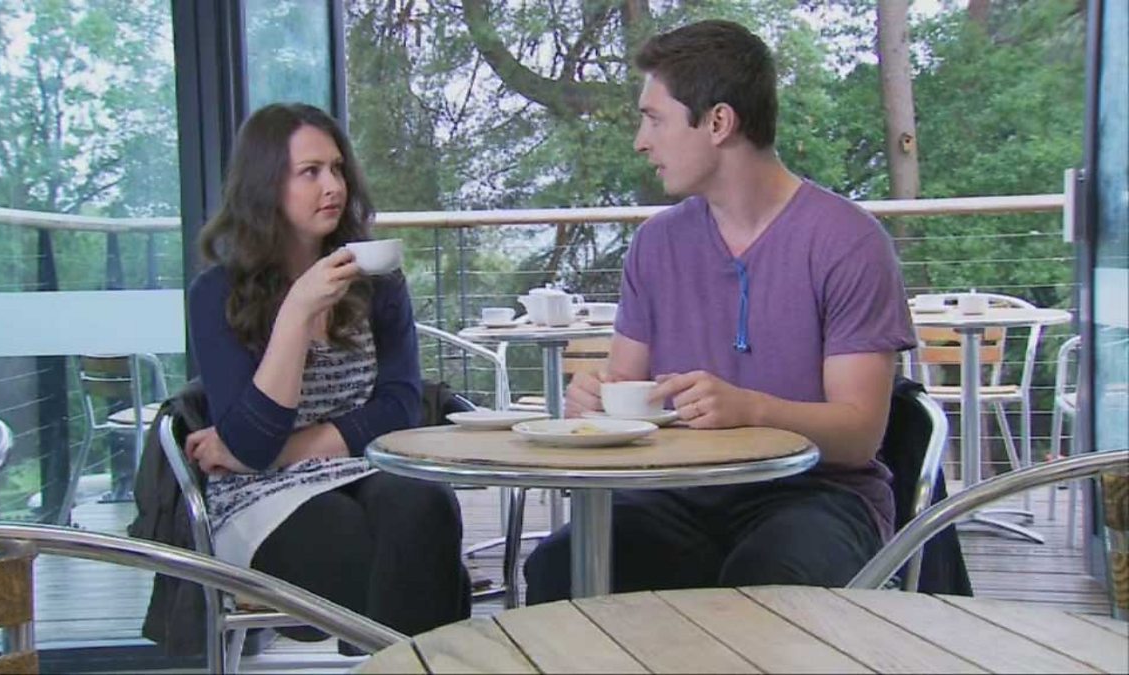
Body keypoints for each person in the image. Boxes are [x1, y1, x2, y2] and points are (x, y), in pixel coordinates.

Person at [523, 20, 917, 603]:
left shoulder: (848, 242)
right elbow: (626, 387)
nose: (640, 141)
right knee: (559, 569)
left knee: (767, 581)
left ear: (718, 123)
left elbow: (858, 434)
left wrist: (750, 409)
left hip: (815, 496)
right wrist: (596, 401)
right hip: (674, 494)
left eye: (654, 119)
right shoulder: (655, 245)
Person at [185, 102, 470, 640]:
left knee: (425, 504)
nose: (333, 186)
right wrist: (297, 311)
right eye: (310, 172)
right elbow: (252, 441)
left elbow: (399, 410)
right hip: (260, 497)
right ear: (266, 185)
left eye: (337, 168)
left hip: (363, 470)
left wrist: (280, 451)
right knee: (368, 549)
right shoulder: (217, 293)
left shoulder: (377, 281)